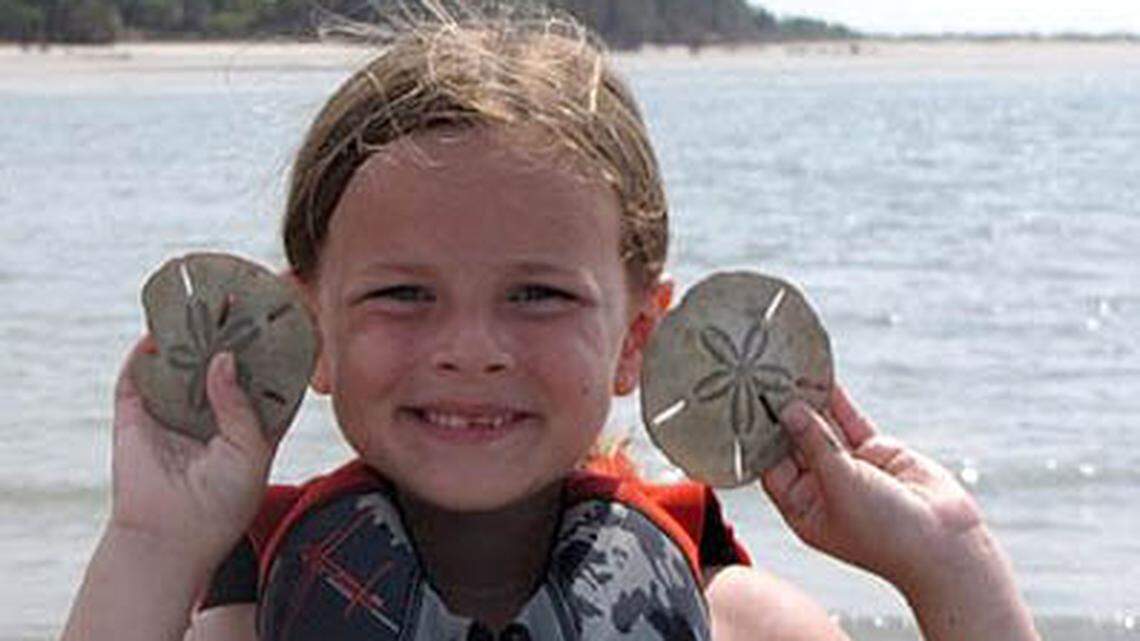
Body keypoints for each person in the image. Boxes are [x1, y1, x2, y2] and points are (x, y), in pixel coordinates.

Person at [61, 6, 1040, 641]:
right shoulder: (248, 612)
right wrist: (152, 539)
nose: (472, 347)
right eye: (404, 293)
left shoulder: (727, 614)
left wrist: (950, 558)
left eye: (538, 294)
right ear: (307, 320)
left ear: (637, 339)